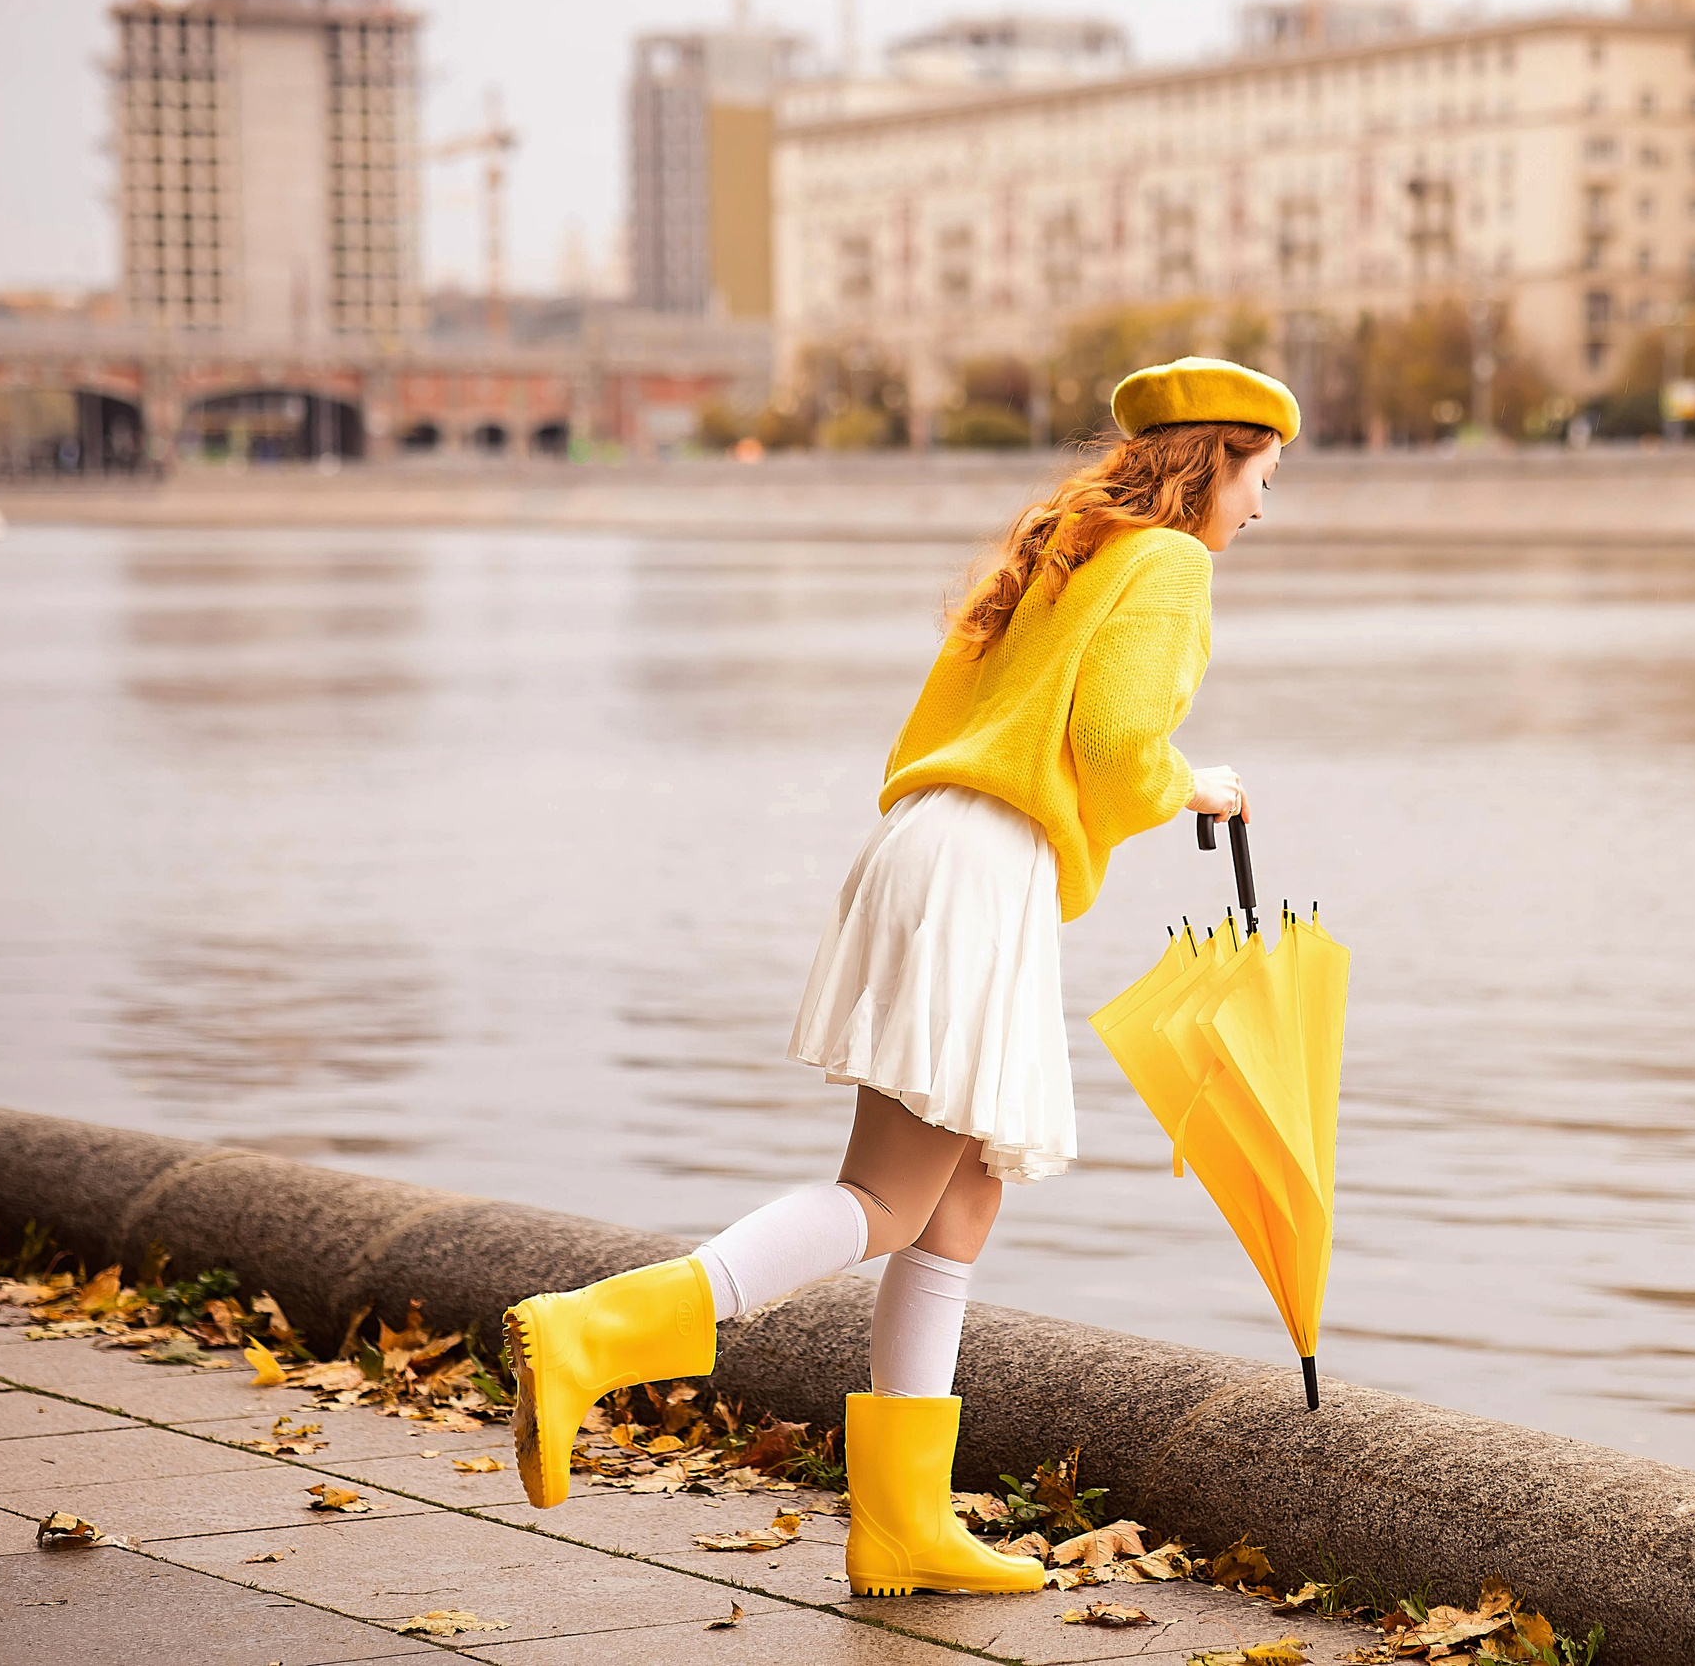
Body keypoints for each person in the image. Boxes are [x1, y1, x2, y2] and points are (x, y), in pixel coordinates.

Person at [500, 356, 1297, 1600]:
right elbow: (1114, 745)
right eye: (1262, 477)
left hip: (935, 845)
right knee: (885, 1195)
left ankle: (902, 1526)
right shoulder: (1170, 564)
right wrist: (1195, 782)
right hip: (983, 865)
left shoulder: (1066, 553)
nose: (1264, 509)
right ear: (1216, 467)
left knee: (962, 1195)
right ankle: (595, 1333)